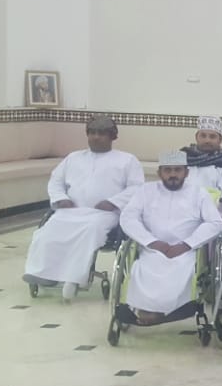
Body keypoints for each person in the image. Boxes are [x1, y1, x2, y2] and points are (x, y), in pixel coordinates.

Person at [23, 116, 144, 300]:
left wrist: (114, 202)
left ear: (112, 136)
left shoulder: (127, 160)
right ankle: (42, 273)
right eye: (92, 133)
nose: (96, 137)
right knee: (49, 229)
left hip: (104, 214)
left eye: (101, 133)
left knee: (89, 230)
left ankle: (73, 278)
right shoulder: (73, 158)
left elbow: (136, 187)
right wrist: (61, 199)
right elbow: (56, 181)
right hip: (70, 211)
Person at [118, 151, 222, 324]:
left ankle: (169, 311)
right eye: (167, 170)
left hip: (186, 252)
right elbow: (128, 218)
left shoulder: (199, 193)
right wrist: (151, 242)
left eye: (177, 170)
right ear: (159, 173)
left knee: (180, 271)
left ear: (186, 172)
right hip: (151, 249)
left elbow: (215, 223)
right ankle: (146, 309)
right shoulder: (145, 191)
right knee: (142, 268)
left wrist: (186, 244)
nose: (172, 174)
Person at [184, 115, 222, 197]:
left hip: (212, 203)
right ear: (196, 137)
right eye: (203, 136)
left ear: (220, 140)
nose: (207, 140)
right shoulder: (183, 157)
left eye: (212, 137)